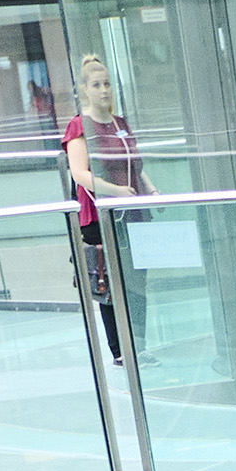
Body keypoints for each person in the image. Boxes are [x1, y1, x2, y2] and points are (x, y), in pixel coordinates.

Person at [62, 51, 154, 366]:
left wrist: (151, 190)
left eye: (107, 84)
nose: (104, 90)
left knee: (138, 281)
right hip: (102, 215)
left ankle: (139, 344)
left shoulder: (121, 123)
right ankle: (120, 351)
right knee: (110, 283)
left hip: (134, 213)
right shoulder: (79, 126)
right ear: (84, 90)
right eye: (96, 85)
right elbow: (79, 173)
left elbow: (134, 163)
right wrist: (116, 192)